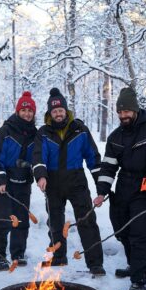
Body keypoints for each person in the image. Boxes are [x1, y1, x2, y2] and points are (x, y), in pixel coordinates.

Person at [93, 87, 146, 290]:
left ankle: (139, 280)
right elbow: (108, 167)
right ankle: (134, 266)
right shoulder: (115, 137)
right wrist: (102, 191)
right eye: (120, 112)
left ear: (135, 110)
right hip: (124, 185)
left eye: (127, 112)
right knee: (121, 229)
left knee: (140, 233)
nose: (123, 116)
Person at [32, 88, 105, 276]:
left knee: (86, 220)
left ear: (66, 110)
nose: (58, 113)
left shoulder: (80, 129)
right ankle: (58, 256)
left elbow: (93, 158)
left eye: (60, 110)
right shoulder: (43, 133)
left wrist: (101, 187)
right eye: (54, 111)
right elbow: (39, 156)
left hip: (76, 181)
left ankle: (95, 263)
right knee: (55, 222)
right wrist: (41, 175)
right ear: (50, 113)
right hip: (53, 182)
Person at [0, 91, 37, 271]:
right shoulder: (5, 132)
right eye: (23, 110)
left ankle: (18, 252)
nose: (27, 113)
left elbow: (38, 158)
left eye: (30, 111)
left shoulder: (36, 134)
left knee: (22, 218)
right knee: (3, 218)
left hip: (23, 180)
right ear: (17, 111)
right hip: (4, 181)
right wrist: (0, 180)